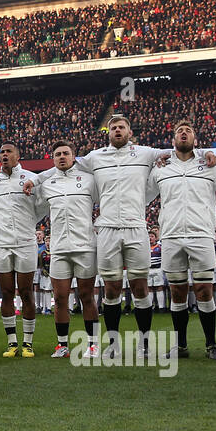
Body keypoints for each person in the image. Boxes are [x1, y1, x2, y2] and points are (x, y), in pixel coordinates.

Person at [72, 116, 172, 358]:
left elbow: (175, 151)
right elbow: (64, 166)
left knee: (140, 286)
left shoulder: (145, 153)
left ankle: (145, 344)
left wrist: (205, 156)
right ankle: (113, 345)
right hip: (106, 229)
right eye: (113, 127)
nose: (117, 130)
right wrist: (35, 178)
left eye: (121, 127)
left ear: (130, 132)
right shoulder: (96, 157)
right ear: (108, 133)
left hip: (136, 227)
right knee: (112, 288)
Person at [148, 121, 216, 360]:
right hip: (171, 236)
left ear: (196, 139)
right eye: (179, 132)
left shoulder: (209, 165)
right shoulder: (161, 167)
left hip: (201, 234)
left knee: (205, 290)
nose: (184, 134)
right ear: (173, 140)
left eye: (189, 131)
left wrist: (209, 154)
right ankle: (181, 345)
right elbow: (142, 195)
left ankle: (211, 344)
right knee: (177, 292)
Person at [26, 141, 99, 359]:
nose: (62, 157)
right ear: (53, 159)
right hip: (58, 247)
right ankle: (62, 345)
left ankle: (93, 345)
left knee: (86, 296)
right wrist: (33, 181)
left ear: (73, 156)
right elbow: (35, 207)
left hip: (85, 245)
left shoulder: (89, 180)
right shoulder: (48, 183)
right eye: (57, 154)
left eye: (66, 153)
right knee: (59, 298)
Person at [0, 143, 46, 357]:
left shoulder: (30, 178)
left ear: (18, 156)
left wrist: (29, 222)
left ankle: (27, 342)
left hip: (26, 242)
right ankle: (12, 342)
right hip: (2, 243)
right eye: (2, 152)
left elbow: (42, 206)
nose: (4, 155)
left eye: (9, 152)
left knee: (27, 292)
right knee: (7, 293)